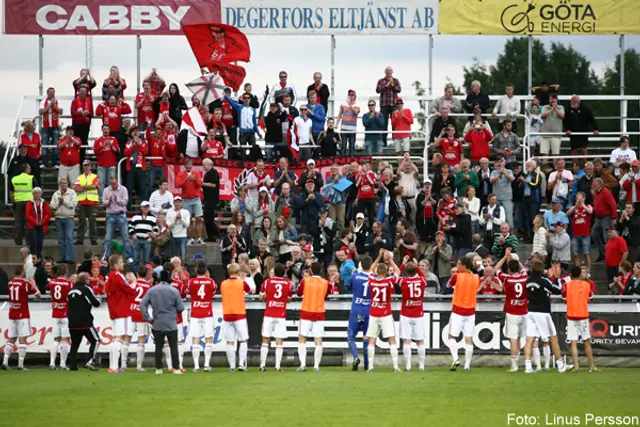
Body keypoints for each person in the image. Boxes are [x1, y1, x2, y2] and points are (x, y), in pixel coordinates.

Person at [523, 260, 566, 374]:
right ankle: (560, 364)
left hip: (531, 312)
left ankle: (528, 366)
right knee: (553, 338)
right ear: (542, 270)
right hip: (543, 313)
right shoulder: (544, 281)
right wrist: (557, 278)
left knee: (530, 339)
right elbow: (558, 290)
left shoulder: (528, 281)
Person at [140, 269, 184, 375]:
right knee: (174, 346)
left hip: (157, 322)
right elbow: (181, 308)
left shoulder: (152, 290)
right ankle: (176, 368)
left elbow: (142, 304)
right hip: (171, 323)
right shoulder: (174, 291)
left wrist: (148, 318)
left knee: (158, 347)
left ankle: (158, 368)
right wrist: (173, 312)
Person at [493, 250, 528, 372]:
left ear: (508, 269)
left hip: (512, 312)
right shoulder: (524, 277)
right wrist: (516, 260)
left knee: (513, 338)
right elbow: (524, 269)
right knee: (519, 338)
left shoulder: (507, 278)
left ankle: (514, 365)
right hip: (524, 311)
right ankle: (519, 362)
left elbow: (495, 269)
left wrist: (505, 257)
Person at [366, 250, 401, 372]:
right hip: (386, 313)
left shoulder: (372, 280)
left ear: (377, 271)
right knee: (391, 339)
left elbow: (370, 270)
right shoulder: (389, 281)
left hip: (374, 312)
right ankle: (395, 366)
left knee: (372, 339)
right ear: (386, 272)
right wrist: (390, 260)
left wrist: (379, 256)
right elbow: (398, 271)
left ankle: (370, 366)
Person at [2, 265, 41, 370]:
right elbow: (38, 295)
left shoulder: (10, 283)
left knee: (11, 338)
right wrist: (34, 285)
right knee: (22, 339)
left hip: (12, 313)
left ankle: (5, 362)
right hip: (22, 314)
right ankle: (20, 364)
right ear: (22, 272)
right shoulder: (25, 283)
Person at [447, 256, 481, 372]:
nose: (457, 267)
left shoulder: (457, 276)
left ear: (465, 266)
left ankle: (456, 359)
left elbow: (448, 284)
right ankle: (467, 365)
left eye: (459, 264)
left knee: (452, 336)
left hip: (458, 310)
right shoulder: (477, 277)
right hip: (470, 311)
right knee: (469, 338)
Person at [258, 263, 294, 371]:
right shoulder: (288, 284)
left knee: (265, 338)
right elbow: (289, 299)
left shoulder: (267, 282)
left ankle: (262, 365)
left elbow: (261, 297)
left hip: (269, 313)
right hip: (281, 315)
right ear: (284, 273)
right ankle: (277, 366)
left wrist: (268, 296)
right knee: (279, 339)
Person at [105, 254, 137, 373]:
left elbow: (108, 291)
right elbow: (131, 291)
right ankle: (113, 367)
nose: (123, 264)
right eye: (121, 262)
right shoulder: (118, 275)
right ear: (115, 265)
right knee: (119, 338)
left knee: (116, 338)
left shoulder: (110, 276)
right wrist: (134, 281)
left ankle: (113, 366)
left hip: (115, 309)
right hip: (122, 310)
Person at [563, 266, 598, 372]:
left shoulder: (566, 285)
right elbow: (589, 298)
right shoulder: (587, 285)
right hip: (583, 315)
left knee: (573, 342)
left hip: (571, 316)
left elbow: (564, 298)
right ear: (579, 274)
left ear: (570, 274)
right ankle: (592, 366)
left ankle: (577, 367)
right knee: (586, 341)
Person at [296, 262, 330, 372]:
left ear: (311, 270)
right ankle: (316, 366)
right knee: (318, 340)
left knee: (302, 339)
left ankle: (303, 364)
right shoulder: (326, 283)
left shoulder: (305, 281)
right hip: (319, 313)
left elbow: (298, 293)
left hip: (306, 312)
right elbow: (326, 295)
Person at [220, 263, 254, 371]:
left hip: (227, 314)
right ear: (238, 272)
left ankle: (232, 366)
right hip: (239, 314)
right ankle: (241, 364)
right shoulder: (241, 283)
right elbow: (250, 291)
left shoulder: (223, 283)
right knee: (243, 340)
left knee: (230, 341)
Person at [67, 272, 101, 371]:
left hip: (72, 321)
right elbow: (95, 303)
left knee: (75, 343)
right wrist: (99, 299)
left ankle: (72, 365)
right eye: (88, 279)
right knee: (96, 340)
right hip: (84, 321)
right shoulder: (86, 288)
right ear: (85, 280)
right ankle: (90, 361)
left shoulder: (71, 290)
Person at [188, 261, 217, 372]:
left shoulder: (191, 282)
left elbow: (188, 292)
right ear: (206, 271)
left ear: (196, 270)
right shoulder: (211, 282)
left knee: (195, 338)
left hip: (195, 313)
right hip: (207, 313)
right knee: (208, 337)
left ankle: (196, 366)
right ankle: (206, 364)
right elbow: (213, 293)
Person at [398, 262, 427, 371]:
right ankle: (422, 365)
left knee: (407, 341)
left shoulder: (403, 281)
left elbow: (397, 275)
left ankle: (408, 365)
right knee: (420, 341)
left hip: (406, 314)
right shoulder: (422, 281)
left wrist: (402, 265)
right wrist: (417, 267)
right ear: (416, 270)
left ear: (406, 272)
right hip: (418, 315)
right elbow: (423, 276)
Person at [346, 256, 373, 371]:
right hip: (369, 311)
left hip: (356, 310)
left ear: (361, 264)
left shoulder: (355, 276)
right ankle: (367, 366)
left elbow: (347, 287)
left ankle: (356, 357)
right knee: (366, 339)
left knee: (351, 336)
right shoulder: (374, 278)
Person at [47, 263, 73, 370]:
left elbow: (50, 294)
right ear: (66, 272)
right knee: (64, 339)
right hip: (66, 314)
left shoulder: (52, 283)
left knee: (56, 339)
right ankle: (62, 364)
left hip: (55, 314)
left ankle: (52, 363)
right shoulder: (69, 284)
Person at [102, 176, 133, 264]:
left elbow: (125, 202)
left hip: (121, 215)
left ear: (117, 182)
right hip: (110, 215)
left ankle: (128, 257)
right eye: (111, 184)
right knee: (107, 238)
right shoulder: (106, 190)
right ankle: (105, 257)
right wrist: (109, 201)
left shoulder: (123, 189)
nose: (113, 185)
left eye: (114, 184)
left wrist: (117, 200)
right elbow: (104, 203)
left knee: (125, 237)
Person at [130, 265, 152, 372]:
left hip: (130, 312)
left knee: (125, 339)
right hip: (142, 314)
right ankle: (139, 366)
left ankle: (123, 365)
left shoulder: (132, 284)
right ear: (147, 274)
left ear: (137, 274)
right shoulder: (149, 286)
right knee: (141, 340)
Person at [50, 178, 77, 264]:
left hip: (69, 217)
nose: (64, 185)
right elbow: (52, 206)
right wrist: (58, 203)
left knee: (69, 238)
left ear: (68, 184)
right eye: (62, 183)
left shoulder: (72, 192)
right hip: (58, 218)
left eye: (65, 183)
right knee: (61, 239)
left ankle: (69, 258)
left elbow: (73, 205)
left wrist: (64, 202)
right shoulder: (56, 193)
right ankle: (63, 257)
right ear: (59, 184)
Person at [11, 163, 37, 246]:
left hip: (18, 202)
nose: (30, 169)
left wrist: (13, 202)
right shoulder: (31, 178)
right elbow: (37, 190)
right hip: (29, 202)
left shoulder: (14, 179)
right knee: (28, 222)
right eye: (29, 168)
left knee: (18, 222)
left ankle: (18, 240)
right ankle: (28, 240)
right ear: (25, 169)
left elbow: (11, 192)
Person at [74, 160, 99, 246]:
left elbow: (94, 186)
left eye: (88, 165)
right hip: (81, 202)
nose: (86, 167)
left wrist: (83, 187)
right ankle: (79, 240)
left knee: (92, 222)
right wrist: (88, 187)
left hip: (92, 202)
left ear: (90, 166)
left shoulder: (94, 176)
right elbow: (76, 189)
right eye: (85, 165)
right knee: (81, 222)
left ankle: (93, 240)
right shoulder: (80, 177)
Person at [375, 66, 402, 147]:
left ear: (392, 72)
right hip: (384, 105)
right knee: (383, 124)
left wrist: (392, 84)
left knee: (395, 124)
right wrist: (387, 85)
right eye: (387, 70)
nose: (388, 72)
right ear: (385, 72)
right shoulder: (381, 81)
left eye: (390, 70)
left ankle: (396, 142)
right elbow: (377, 90)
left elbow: (399, 90)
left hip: (394, 105)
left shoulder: (396, 80)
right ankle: (384, 143)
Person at [129, 201, 158, 273]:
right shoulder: (135, 217)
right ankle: (135, 277)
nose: (146, 208)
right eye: (144, 207)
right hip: (137, 239)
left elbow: (156, 229)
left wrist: (151, 237)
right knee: (135, 260)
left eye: (147, 207)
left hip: (147, 240)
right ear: (141, 207)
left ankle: (146, 276)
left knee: (147, 260)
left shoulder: (153, 218)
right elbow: (130, 227)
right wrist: (133, 234)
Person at [567, 192, 593, 270]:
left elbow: (590, 211)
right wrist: (575, 206)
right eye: (577, 197)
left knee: (586, 253)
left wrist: (582, 204)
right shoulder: (574, 208)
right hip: (575, 235)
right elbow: (567, 214)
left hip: (585, 234)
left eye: (579, 197)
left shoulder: (588, 206)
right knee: (576, 254)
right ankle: (578, 272)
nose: (577, 198)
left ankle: (588, 272)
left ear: (584, 198)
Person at [25, 187, 51, 258]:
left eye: (38, 193)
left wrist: (42, 221)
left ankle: (38, 256)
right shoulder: (29, 203)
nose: (37, 195)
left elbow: (48, 213)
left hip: (42, 225)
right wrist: (35, 222)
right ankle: (32, 256)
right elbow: (28, 214)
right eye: (35, 193)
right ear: (33, 194)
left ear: (41, 194)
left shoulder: (44, 203)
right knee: (33, 242)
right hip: (32, 225)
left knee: (40, 242)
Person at [202, 158, 221, 242]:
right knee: (208, 217)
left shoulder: (213, 172)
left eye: (204, 165)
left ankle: (217, 233)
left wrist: (202, 184)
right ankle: (211, 236)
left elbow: (213, 185)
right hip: (207, 198)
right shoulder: (207, 173)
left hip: (212, 198)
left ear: (209, 164)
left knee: (208, 216)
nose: (203, 167)